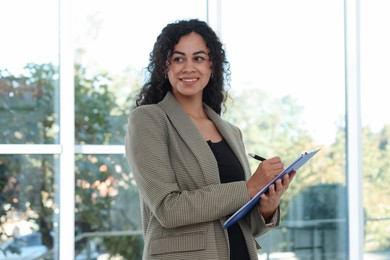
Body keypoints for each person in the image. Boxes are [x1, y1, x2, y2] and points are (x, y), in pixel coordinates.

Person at [125, 18, 296, 260]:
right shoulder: (149, 120)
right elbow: (167, 209)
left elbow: (242, 221)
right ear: (165, 66)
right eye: (178, 58)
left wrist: (266, 207)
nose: (188, 68)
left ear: (212, 65)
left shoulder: (231, 131)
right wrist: (249, 187)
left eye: (198, 58)